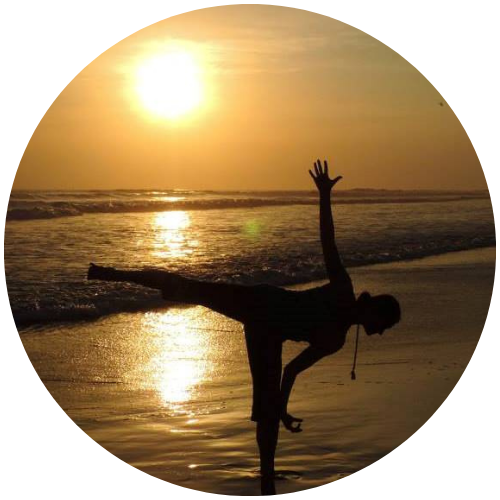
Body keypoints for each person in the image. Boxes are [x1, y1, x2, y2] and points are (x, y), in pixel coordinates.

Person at [87, 160, 401, 488]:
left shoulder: (336, 340)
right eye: (383, 324)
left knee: (267, 409)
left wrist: (282, 409)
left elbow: (291, 371)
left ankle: (267, 474)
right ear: (375, 310)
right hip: (261, 302)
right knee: (189, 287)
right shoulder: (342, 289)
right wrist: (324, 195)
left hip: (268, 334)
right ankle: (114, 273)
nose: (380, 332)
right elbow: (328, 242)